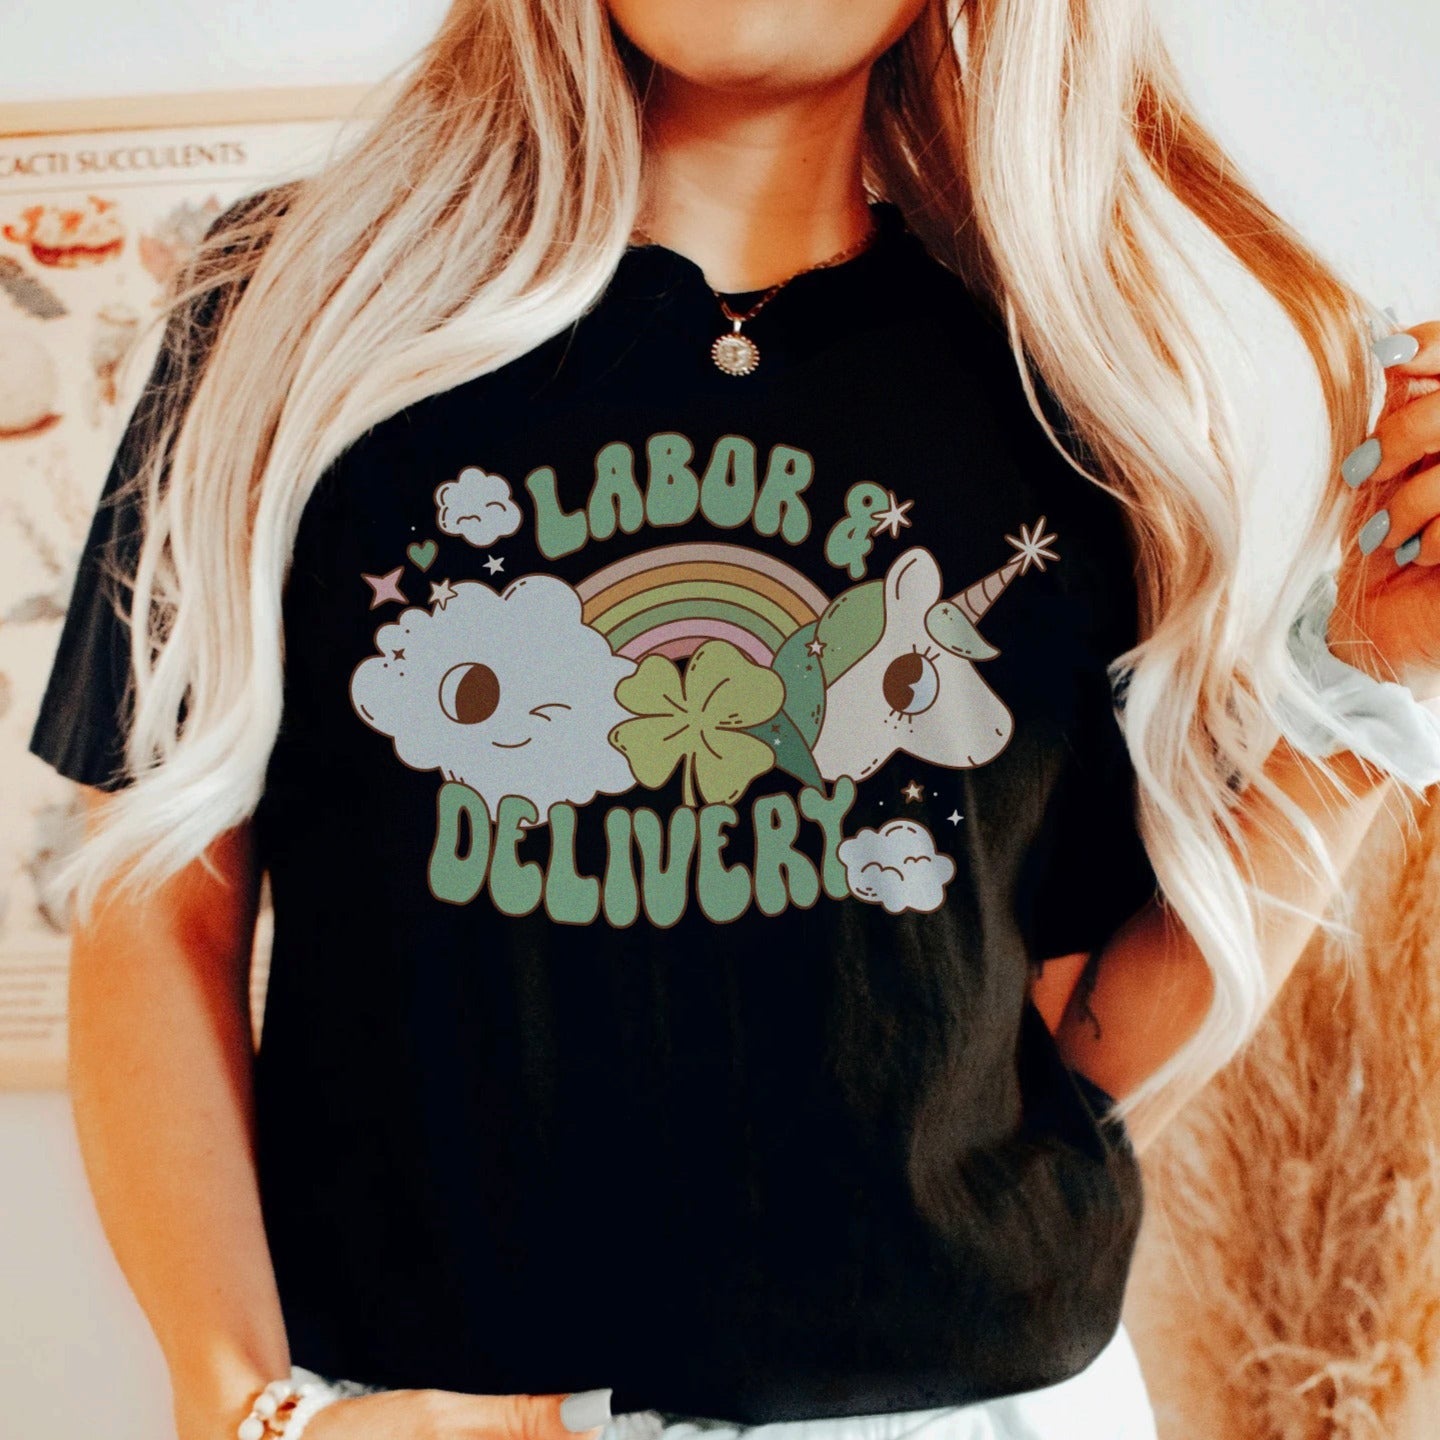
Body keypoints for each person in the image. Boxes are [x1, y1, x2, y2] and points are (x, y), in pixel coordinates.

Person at [25, 3, 1440, 1440]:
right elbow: (159, 911)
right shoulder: (289, 308)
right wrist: (239, 1405)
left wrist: (1376, 673)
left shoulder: (1067, 390)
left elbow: (1073, 1041)